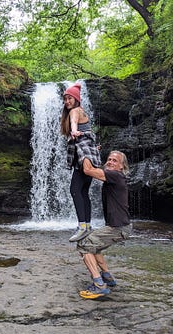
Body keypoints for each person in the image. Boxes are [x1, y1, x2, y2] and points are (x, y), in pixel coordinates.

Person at [74, 150, 132, 299]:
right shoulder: (114, 177)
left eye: (115, 161)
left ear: (121, 166)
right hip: (121, 227)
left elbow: (88, 170)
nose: (111, 162)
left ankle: (99, 285)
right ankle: (107, 277)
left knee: (84, 244)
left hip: (118, 228)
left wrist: (85, 151)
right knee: (94, 246)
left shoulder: (115, 175)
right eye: (109, 159)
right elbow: (97, 170)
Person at [60, 82, 100, 242]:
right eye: (65, 99)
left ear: (76, 99)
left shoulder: (75, 111)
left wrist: (74, 130)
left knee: (75, 190)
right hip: (87, 154)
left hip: (84, 155)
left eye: (70, 98)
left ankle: (82, 227)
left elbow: (75, 121)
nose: (67, 101)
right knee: (83, 192)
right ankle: (88, 226)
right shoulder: (81, 111)